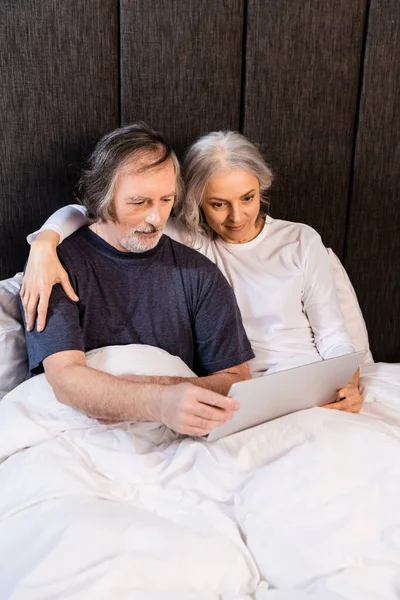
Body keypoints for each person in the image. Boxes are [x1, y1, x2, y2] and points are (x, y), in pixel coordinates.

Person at [21, 130, 363, 413]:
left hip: (295, 379)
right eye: (218, 204)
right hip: (236, 395)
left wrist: (346, 379)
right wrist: (44, 243)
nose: (237, 217)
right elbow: (92, 212)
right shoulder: (57, 265)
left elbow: (325, 338)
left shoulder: (279, 246)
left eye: (248, 197)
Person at [19, 124, 255, 436]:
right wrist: (158, 402)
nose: (157, 218)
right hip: (82, 433)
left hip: (176, 437)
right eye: (139, 202)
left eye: (166, 200)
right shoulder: (54, 266)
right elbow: (64, 380)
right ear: (104, 197)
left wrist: (162, 390)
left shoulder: (200, 274)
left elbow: (236, 379)